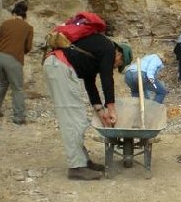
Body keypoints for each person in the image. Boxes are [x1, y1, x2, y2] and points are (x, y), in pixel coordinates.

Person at [43, 31, 132, 181]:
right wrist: (111, 108)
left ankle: (83, 161)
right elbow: (106, 79)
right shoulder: (108, 49)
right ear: (119, 55)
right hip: (59, 68)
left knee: (77, 119)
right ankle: (76, 168)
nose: (114, 68)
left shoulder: (96, 52)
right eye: (118, 65)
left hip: (58, 67)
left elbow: (90, 83)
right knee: (74, 120)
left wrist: (100, 110)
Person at [0, 0, 34, 124]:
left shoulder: (5, 24)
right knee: (17, 88)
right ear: (25, 15)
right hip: (13, 58)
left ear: (13, 13)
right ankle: (19, 117)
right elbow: (28, 47)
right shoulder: (28, 28)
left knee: (2, 83)